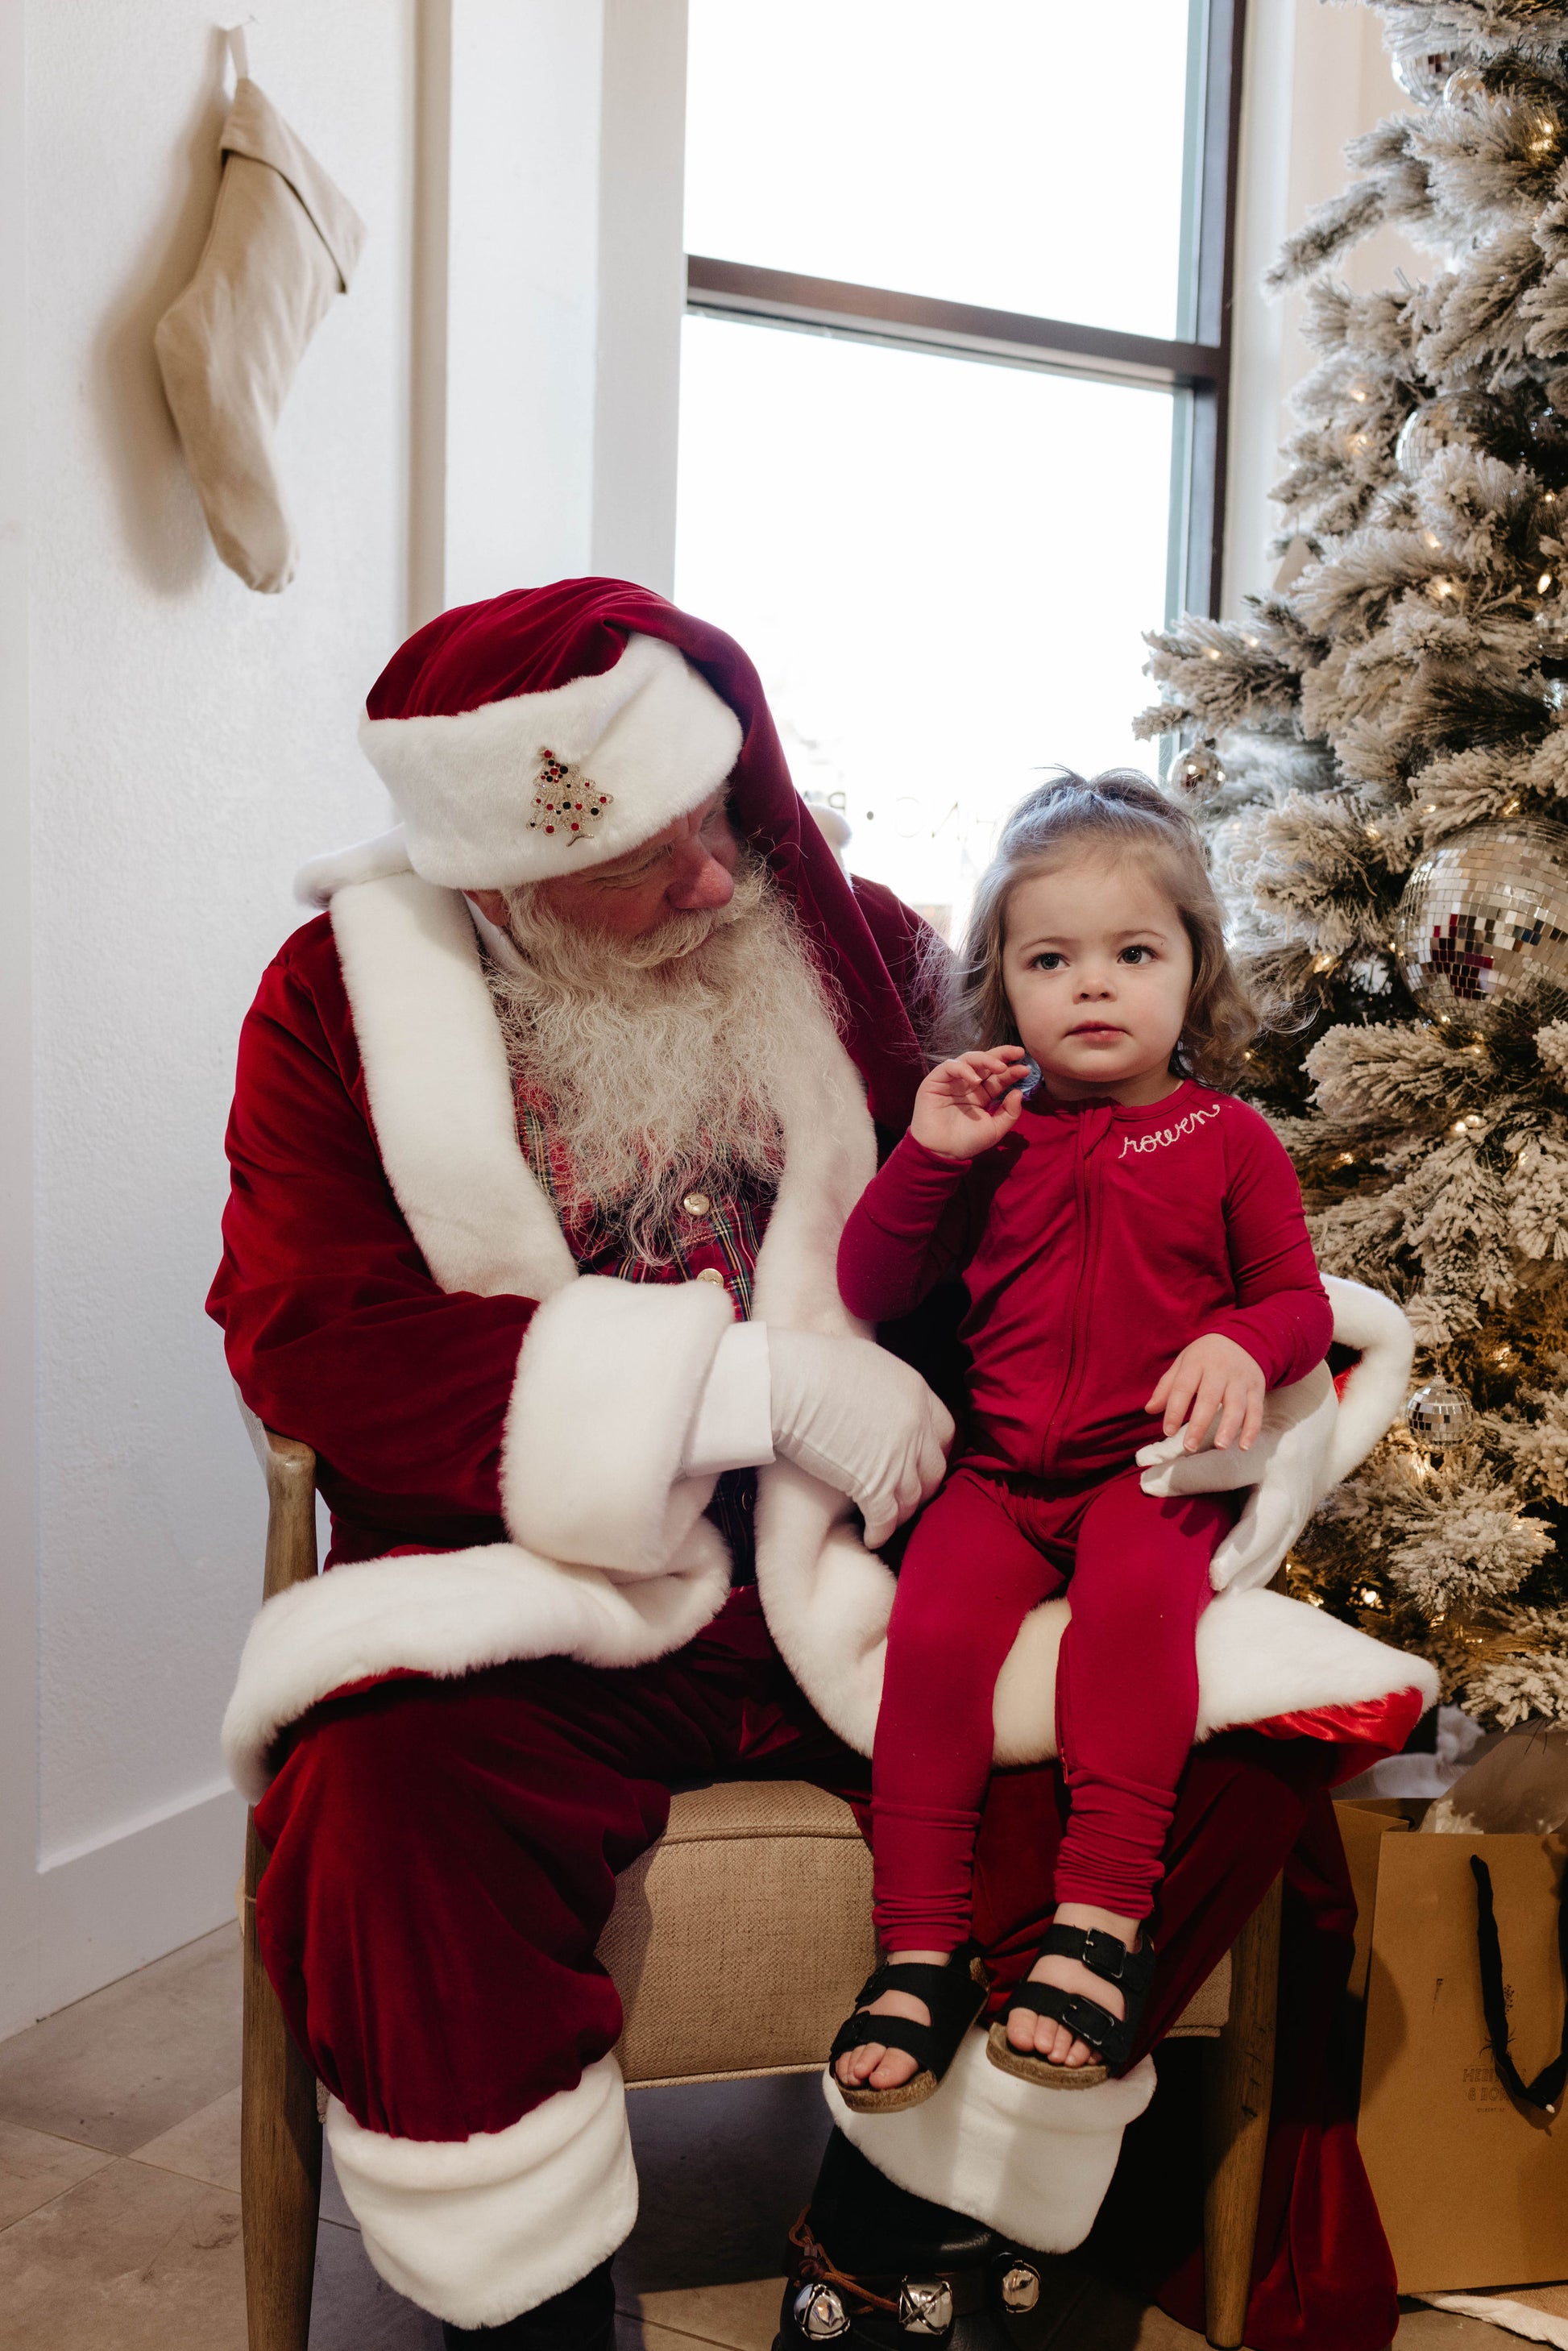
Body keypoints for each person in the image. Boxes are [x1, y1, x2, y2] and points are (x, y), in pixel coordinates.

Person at [210, 580, 1432, 2351]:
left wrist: (1222, 1365)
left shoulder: (840, 934)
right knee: (376, 1802)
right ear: (496, 885)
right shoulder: (340, 1008)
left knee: (1231, 1742)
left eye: (720, 820)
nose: (717, 882)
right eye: (641, 863)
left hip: (878, 1567)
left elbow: (1077, 1227)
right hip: (555, 1591)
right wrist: (747, 1391)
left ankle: (893, 2245)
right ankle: (534, 2311)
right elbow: (314, 1339)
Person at [831, 773, 1332, 2110]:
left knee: (1128, 1624)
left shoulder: (1225, 1139)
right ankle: (920, 1945)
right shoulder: (989, 1132)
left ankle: (1100, 1921)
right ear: (1000, 980)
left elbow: (1295, 1298)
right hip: (998, 1477)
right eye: (1049, 959)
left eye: (1132, 954)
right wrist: (929, 1155)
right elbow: (872, 1285)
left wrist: (1238, 1340)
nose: (1091, 986)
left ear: (1191, 970)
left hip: (1143, 1477)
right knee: (928, 1643)